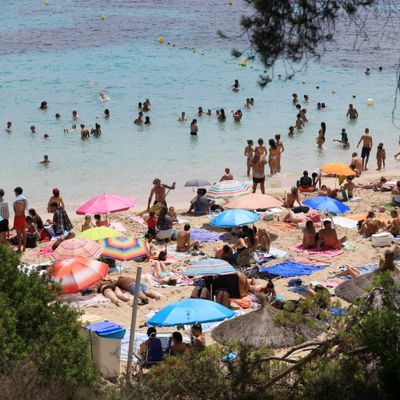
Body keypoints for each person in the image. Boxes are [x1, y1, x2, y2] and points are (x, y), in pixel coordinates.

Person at [13, 187, 28, 252]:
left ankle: (19, 248)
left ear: (16, 192)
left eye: (15, 192)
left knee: (19, 234)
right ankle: (24, 248)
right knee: (24, 233)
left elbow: (17, 211)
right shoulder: (24, 199)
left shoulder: (17, 201)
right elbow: (23, 210)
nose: (15, 194)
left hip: (18, 217)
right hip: (23, 216)